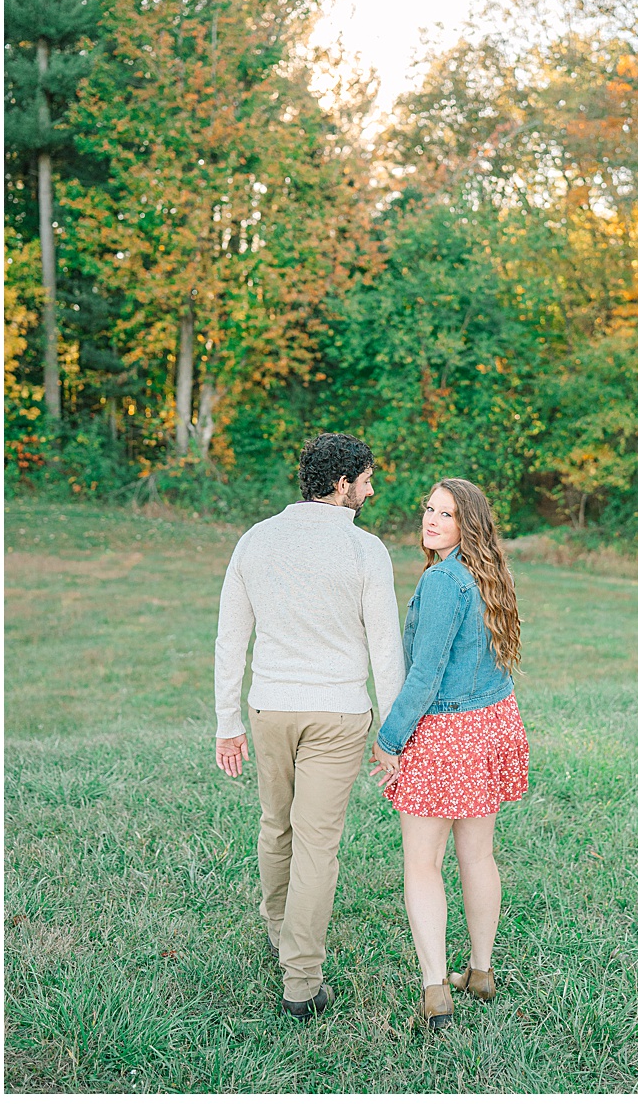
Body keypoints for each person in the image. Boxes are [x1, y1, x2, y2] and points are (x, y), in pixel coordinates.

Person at [214, 432, 405, 1018]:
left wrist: (228, 722)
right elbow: (385, 650)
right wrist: (393, 734)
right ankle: (301, 982)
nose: (371, 491)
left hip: (269, 709)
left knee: (278, 827)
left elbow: (231, 639)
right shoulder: (366, 551)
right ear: (342, 484)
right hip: (338, 714)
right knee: (317, 843)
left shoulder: (255, 540)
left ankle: (280, 933)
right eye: (367, 480)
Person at [370, 477, 529, 1031]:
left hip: (447, 735)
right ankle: (480, 972)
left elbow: (425, 676)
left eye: (447, 514)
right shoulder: (490, 573)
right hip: (491, 724)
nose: (432, 520)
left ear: (469, 524)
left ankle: (436, 988)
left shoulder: (443, 582)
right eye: (428, 509)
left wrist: (389, 740)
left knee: (423, 864)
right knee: (478, 856)